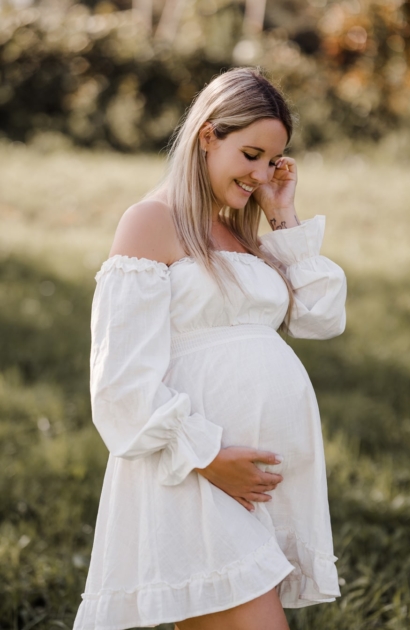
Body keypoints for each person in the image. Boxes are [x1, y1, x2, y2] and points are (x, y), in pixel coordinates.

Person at [79, 68, 346, 629]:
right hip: (196, 474)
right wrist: (207, 456)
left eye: (272, 161)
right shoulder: (151, 221)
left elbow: (322, 317)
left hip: (248, 486)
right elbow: (119, 382)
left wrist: (282, 214)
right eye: (249, 154)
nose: (259, 173)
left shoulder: (241, 233)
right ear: (207, 136)